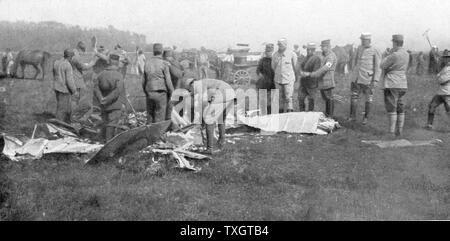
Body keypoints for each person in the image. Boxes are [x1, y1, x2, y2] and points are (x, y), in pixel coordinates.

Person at [182, 78, 235, 154]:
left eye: (189, 89)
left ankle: (210, 149)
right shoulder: (205, 83)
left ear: (191, 84)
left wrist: (202, 119)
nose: (190, 91)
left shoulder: (198, 84)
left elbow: (203, 102)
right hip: (231, 94)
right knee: (221, 119)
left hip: (222, 94)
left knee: (208, 120)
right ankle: (221, 142)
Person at [380, 34, 409, 137]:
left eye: (393, 42)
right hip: (403, 83)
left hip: (392, 82)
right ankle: (399, 131)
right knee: (400, 107)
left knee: (391, 107)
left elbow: (382, 65)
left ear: (395, 43)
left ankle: (391, 132)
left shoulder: (394, 55)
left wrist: (386, 55)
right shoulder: (406, 54)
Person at [93, 53, 127, 142]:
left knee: (105, 122)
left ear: (109, 62)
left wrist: (102, 99)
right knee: (112, 126)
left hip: (103, 105)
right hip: (115, 105)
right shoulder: (119, 75)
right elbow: (118, 91)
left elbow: (96, 88)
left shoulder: (100, 74)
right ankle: (108, 144)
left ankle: (101, 141)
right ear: (117, 63)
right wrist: (108, 99)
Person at [348, 33, 381, 124]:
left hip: (368, 78)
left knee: (368, 98)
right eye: (361, 40)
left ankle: (365, 118)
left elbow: (378, 67)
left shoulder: (375, 50)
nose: (362, 42)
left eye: (364, 40)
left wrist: (375, 80)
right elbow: (354, 60)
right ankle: (352, 117)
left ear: (369, 41)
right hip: (356, 77)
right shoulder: (359, 48)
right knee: (354, 96)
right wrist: (353, 72)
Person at [303, 39, 337, 118]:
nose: (322, 48)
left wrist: (313, 74)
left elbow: (325, 68)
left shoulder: (331, 56)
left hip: (328, 81)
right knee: (326, 98)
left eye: (323, 47)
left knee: (329, 98)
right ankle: (328, 115)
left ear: (328, 47)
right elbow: (316, 55)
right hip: (322, 81)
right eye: (321, 47)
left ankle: (330, 116)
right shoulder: (323, 54)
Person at [143, 43, 174, 124]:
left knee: (150, 116)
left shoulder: (147, 63)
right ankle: (158, 135)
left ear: (153, 51)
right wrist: (172, 92)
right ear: (162, 51)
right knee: (159, 118)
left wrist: (146, 92)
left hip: (149, 92)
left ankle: (149, 134)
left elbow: (143, 81)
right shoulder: (164, 63)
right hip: (161, 93)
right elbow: (168, 81)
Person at [71, 41, 98, 121]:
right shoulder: (76, 56)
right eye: (82, 50)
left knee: (76, 98)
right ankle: (74, 116)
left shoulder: (73, 54)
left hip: (74, 77)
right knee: (75, 98)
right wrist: (93, 62)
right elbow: (83, 67)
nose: (82, 53)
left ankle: (74, 115)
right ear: (80, 48)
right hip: (75, 79)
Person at [425, 52, 450, 130]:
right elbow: (438, 75)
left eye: (447, 57)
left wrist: (439, 77)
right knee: (432, 106)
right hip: (441, 92)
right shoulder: (445, 67)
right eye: (445, 57)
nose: (445, 59)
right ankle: (429, 125)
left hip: (447, 92)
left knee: (449, 110)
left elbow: (443, 80)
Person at [271, 38, 298, 113]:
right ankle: (281, 113)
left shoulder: (292, 54)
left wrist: (294, 77)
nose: (280, 46)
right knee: (279, 97)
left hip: (288, 79)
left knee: (288, 97)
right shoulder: (275, 55)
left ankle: (290, 113)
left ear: (286, 45)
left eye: (282, 45)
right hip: (278, 79)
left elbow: (295, 67)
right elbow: (273, 67)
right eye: (279, 45)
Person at [52, 49, 77, 123]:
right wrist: (74, 91)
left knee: (61, 106)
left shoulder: (56, 62)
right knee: (63, 109)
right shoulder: (68, 65)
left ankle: (64, 122)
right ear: (70, 57)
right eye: (72, 57)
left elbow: (54, 75)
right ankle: (59, 125)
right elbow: (69, 81)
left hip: (56, 87)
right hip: (64, 89)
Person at [297, 42, 321, 112]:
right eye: (307, 50)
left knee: (311, 100)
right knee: (300, 98)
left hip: (312, 84)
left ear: (314, 50)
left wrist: (307, 74)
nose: (308, 51)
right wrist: (300, 71)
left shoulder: (317, 59)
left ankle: (310, 115)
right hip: (303, 83)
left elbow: (316, 71)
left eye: (310, 50)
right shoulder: (305, 58)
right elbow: (300, 66)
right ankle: (302, 113)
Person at [163, 48, 184, 121]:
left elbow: (179, 75)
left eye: (167, 57)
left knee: (172, 107)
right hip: (170, 88)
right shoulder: (167, 62)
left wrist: (170, 66)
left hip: (176, 88)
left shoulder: (173, 63)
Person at [256, 43, 275, 114]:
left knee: (272, 100)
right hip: (264, 83)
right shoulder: (262, 60)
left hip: (273, 83)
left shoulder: (275, 60)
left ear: (273, 52)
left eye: (270, 52)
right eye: (267, 52)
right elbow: (258, 70)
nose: (268, 53)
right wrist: (260, 75)